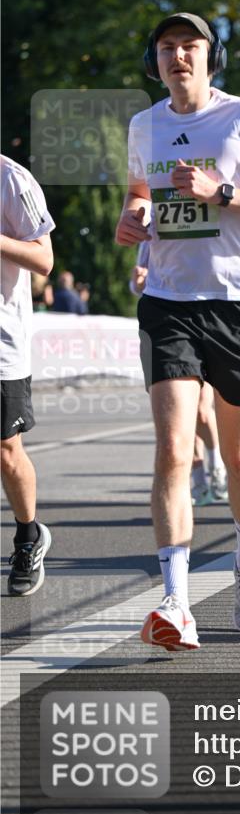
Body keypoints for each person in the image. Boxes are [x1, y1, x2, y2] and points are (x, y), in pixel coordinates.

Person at [115, 11, 240, 651]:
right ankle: (175, 600)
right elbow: (140, 193)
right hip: (170, 300)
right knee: (173, 449)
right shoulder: (145, 123)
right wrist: (133, 221)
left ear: (209, 56)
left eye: (189, 47)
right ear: (156, 59)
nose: (178, 57)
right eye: (166, 47)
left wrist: (222, 191)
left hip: (238, 304)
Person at [129, 239, 227, 506]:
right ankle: (198, 482)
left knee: (201, 412)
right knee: (180, 417)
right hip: (171, 325)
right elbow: (138, 284)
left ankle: (217, 463)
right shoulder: (153, 228)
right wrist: (139, 280)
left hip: (207, 321)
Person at [1, 154, 55, 595]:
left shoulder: (12, 180)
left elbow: (43, 259)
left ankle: (28, 535)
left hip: (2, 343)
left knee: (6, 450)